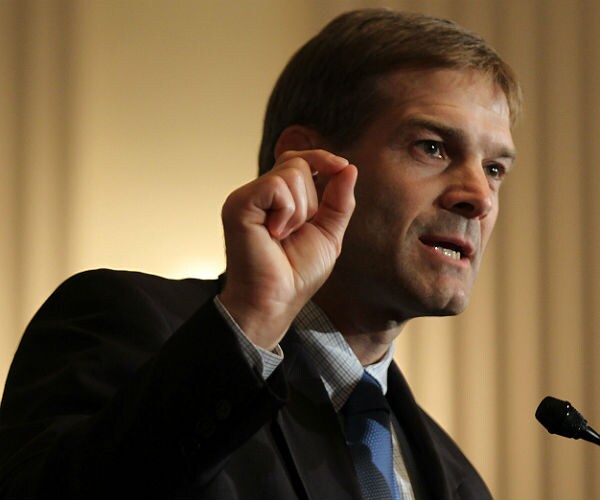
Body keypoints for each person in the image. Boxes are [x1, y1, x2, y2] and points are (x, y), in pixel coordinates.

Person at [0, 8, 520, 500]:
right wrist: (252, 322)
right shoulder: (128, 326)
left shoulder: (455, 478)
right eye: (432, 147)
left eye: (495, 169)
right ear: (308, 163)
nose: (479, 196)